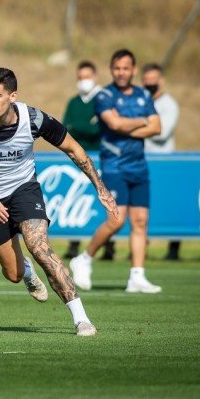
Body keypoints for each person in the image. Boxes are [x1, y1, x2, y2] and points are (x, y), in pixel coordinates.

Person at [0, 67, 119, 336]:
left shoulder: (33, 119)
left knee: (39, 246)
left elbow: (74, 149)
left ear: (13, 96)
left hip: (24, 188)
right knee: (12, 274)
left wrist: (100, 187)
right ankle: (25, 271)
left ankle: (81, 318)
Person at [70, 49, 163, 293]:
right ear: (112, 70)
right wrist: (143, 121)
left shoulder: (143, 94)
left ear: (133, 70)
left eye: (126, 68)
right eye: (117, 68)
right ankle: (85, 259)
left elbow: (157, 127)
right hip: (114, 166)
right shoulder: (105, 96)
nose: (121, 72)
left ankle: (137, 276)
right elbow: (113, 123)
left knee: (141, 222)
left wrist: (130, 125)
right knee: (116, 220)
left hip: (139, 166)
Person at [62, 60, 116, 261]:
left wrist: (79, 127)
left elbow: (98, 130)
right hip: (77, 157)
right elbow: (65, 127)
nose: (83, 81)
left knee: (103, 198)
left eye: (87, 77)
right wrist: (83, 127)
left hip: (100, 157)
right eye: (80, 78)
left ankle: (109, 245)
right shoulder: (74, 102)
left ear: (95, 77)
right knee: (77, 199)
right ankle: (74, 243)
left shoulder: (103, 98)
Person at [142, 63, 181, 261]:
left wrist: (135, 126)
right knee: (142, 208)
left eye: (153, 79)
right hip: (143, 161)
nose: (149, 83)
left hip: (164, 162)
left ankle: (174, 248)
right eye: (146, 79)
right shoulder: (139, 102)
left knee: (169, 204)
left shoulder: (169, 104)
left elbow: (162, 132)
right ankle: (141, 249)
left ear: (161, 81)